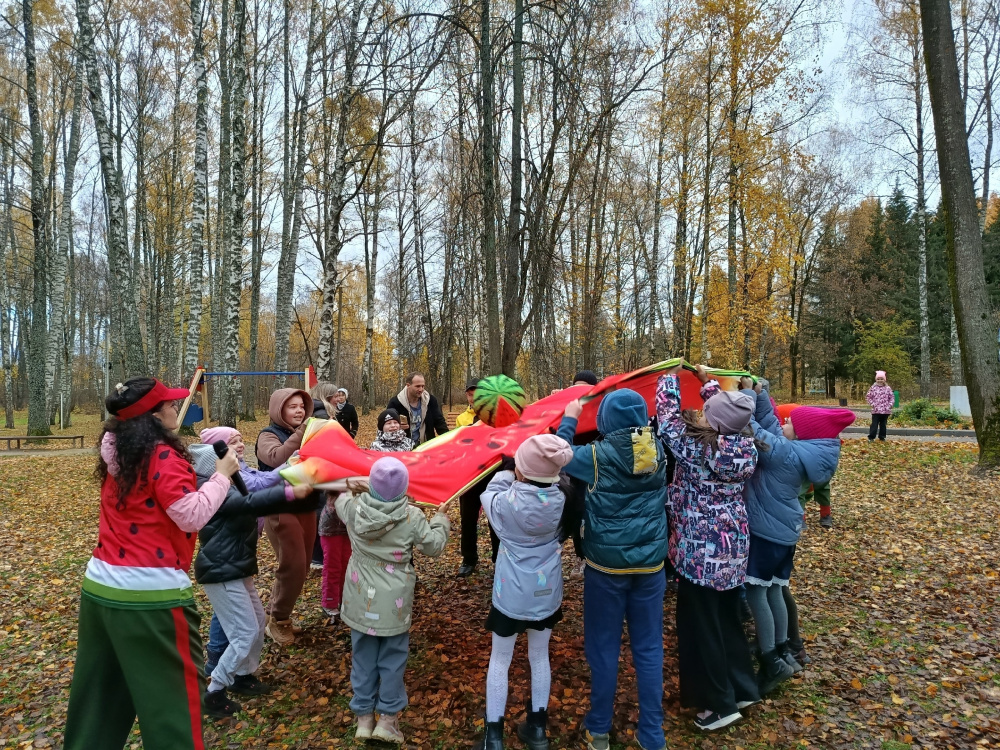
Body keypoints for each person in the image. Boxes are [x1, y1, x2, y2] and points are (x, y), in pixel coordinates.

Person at [64, 377, 239, 750]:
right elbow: (190, 515)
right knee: (174, 706)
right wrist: (223, 475)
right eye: (170, 404)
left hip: (100, 589)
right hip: (150, 597)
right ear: (152, 415)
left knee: (100, 698)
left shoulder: (119, 450)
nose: (177, 407)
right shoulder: (160, 455)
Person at [557, 390, 669, 750]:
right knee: (649, 648)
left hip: (606, 569)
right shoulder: (659, 451)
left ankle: (599, 729)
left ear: (605, 420)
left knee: (604, 649)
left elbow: (556, 454)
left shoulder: (596, 456)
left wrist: (571, 418)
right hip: (651, 567)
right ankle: (652, 733)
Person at [657, 365, 761, 732]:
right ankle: (743, 688)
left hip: (700, 554)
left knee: (701, 628)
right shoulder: (745, 444)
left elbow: (667, 422)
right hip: (732, 549)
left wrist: (667, 379)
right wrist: (708, 385)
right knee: (729, 620)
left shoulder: (699, 448)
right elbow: (726, 412)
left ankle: (718, 705)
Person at [188, 440, 316, 717]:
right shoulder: (215, 492)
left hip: (236, 568)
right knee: (244, 632)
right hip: (222, 572)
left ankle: (243, 676)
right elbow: (252, 503)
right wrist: (290, 493)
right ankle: (215, 690)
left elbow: (256, 494)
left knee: (257, 623)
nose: (236, 458)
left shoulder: (229, 486)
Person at [740, 393, 854, 694]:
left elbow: (752, 428)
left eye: (791, 422)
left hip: (766, 532)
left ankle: (770, 660)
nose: (785, 422)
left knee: (755, 592)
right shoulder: (800, 451)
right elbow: (770, 426)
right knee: (776, 588)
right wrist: (760, 394)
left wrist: (740, 397)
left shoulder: (784, 453)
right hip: (785, 531)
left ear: (803, 433)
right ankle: (783, 650)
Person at [336, 457, 451, 744]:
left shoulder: (353, 508)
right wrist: (440, 519)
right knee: (392, 660)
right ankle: (387, 720)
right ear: (404, 489)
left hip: (359, 599)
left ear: (370, 485)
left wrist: (355, 485)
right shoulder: (411, 516)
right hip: (394, 605)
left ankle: (363, 719)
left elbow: (340, 493)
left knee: (362, 657)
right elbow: (434, 546)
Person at [479, 435, 574, 750]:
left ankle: (494, 737)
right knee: (539, 656)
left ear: (521, 470)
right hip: (546, 593)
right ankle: (537, 729)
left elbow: (488, 492)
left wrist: (507, 469)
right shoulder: (565, 500)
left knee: (501, 658)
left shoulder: (506, 504)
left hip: (510, 596)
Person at [197, 425, 290, 677]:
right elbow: (255, 492)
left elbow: (259, 479)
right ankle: (217, 667)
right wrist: (290, 481)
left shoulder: (238, 470)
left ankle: (241, 673)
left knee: (251, 619)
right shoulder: (222, 484)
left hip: (238, 554)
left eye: (240, 440)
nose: (239, 445)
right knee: (231, 620)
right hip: (223, 561)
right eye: (232, 442)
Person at [256, 388, 316, 645]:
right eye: (292, 407)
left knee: (300, 568)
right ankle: (278, 619)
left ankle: (275, 617)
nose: (299, 411)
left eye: (302, 406)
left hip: (307, 505)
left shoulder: (308, 434)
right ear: (279, 409)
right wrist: (302, 434)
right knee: (291, 566)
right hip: (280, 507)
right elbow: (275, 458)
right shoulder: (268, 435)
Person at [387, 372, 449, 446]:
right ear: (408, 385)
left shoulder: (430, 400)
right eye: (417, 386)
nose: (421, 389)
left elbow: (440, 423)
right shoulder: (395, 403)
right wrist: (398, 427)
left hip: (426, 446)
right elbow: (386, 427)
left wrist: (449, 439)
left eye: (423, 386)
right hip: (403, 448)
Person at [318, 490, 351, 624]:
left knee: (347, 565)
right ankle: (329, 602)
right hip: (331, 528)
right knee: (333, 566)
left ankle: (345, 599)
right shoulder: (334, 480)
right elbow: (328, 490)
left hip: (348, 529)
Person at [866, 370, 894, 442]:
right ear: (876, 379)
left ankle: (882, 437)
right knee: (874, 425)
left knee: (883, 425)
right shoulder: (873, 388)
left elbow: (892, 397)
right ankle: (871, 437)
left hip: (885, 411)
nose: (880, 380)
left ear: (884, 380)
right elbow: (868, 397)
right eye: (878, 379)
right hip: (876, 410)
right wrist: (873, 404)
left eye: (881, 379)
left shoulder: (888, 388)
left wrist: (889, 405)